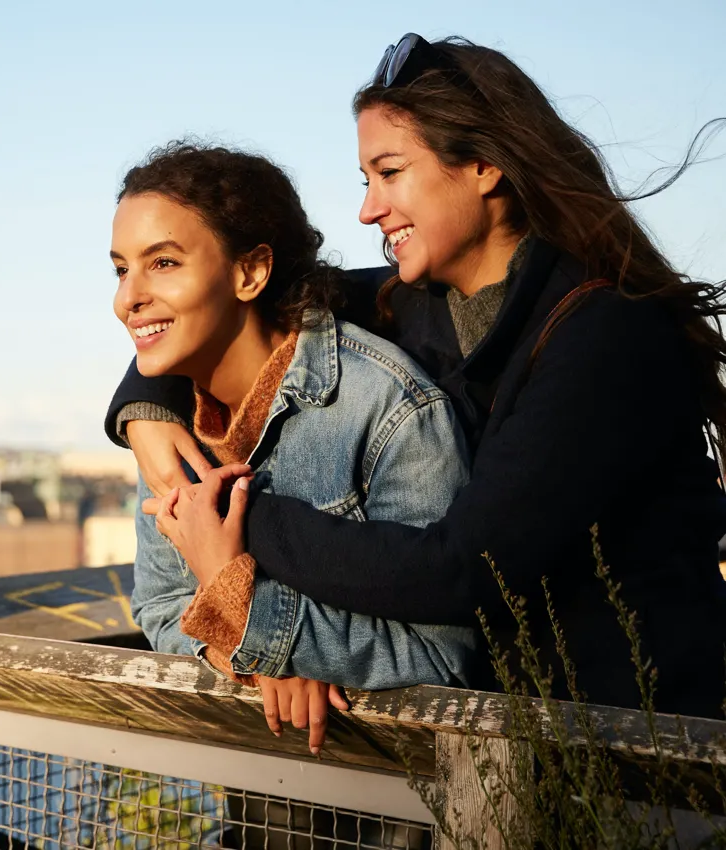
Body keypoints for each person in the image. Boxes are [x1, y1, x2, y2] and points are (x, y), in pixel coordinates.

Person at [108, 35, 726, 719]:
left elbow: (463, 569)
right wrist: (149, 403)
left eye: (390, 172)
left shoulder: (603, 336)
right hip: (508, 750)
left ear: (485, 164)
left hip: (647, 749)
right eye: (364, 181)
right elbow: (233, 311)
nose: (368, 210)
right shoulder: (416, 302)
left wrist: (229, 518)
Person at [113, 141, 479, 753]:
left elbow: (442, 653)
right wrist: (252, 657)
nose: (129, 297)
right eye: (122, 268)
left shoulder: (385, 407)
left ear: (249, 272)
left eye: (165, 263)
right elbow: (158, 606)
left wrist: (252, 613)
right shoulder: (168, 427)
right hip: (261, 795)